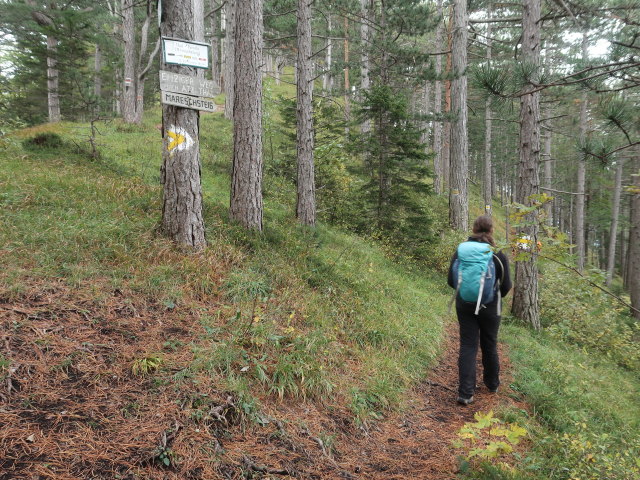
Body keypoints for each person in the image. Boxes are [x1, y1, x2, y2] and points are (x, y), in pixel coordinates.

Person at [447, 215, 512, 405]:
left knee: (468, 345)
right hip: (490, 306)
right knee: (489, 343)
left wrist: (467, 294)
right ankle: (492, 384)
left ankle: (465, 393)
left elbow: (451, 280)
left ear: (474, 229)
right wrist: (492, 296)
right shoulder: (497, 253)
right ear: (491, 230)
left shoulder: (462, 250)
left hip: (465, 303)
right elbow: (506, 285)